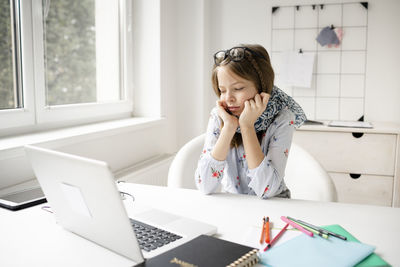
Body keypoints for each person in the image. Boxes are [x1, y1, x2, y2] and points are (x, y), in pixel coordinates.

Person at [194, 44, 306, 199]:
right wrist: (228, 128)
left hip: (274, 207)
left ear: (261, 88)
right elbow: (205, 186)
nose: (228, 98)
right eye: (222, 90)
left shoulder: (282, 118)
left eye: (238, 88)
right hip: (235, 205)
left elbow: (266, 191)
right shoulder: (220, 116)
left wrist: (247, 126)